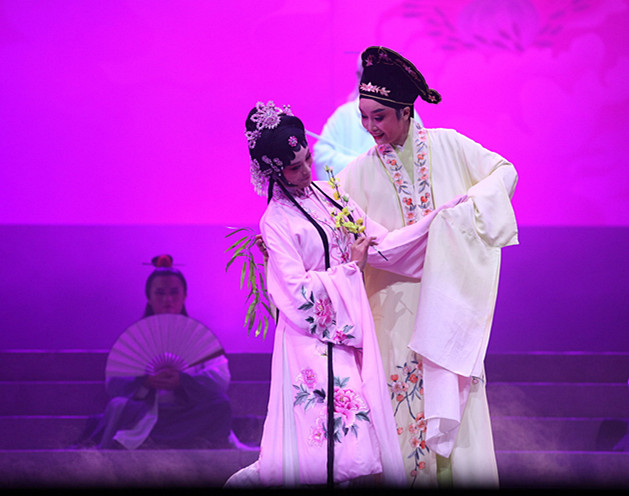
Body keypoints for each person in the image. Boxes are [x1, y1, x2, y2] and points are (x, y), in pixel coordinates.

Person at [225, 102, 466, 488]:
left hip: (347, 332)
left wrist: (437, 223)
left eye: (307, 159)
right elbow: (297, 295)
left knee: (356, 445)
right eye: (294, 168)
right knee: (325, 449)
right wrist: (350, 270)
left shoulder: (330, 196)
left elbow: (381, 243)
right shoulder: (276, 221)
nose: (307, 171)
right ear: (273, 172)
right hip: (308, 342)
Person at [337, 46, 519, 488]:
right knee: (401, 417)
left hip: (449, 305)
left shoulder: (449, 145)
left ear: (406, 111)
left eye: (380, 117)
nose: (370, 128)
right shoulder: (354, 174)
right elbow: (335, 227)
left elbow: (504, 172)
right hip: (392, 315)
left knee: (457, 415)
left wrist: (459, 217)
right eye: (364, 117)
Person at [75, 255, 234, 449]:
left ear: (184, 296)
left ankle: (156, 440)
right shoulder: (136, 338)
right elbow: (114, 383)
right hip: (145, 411)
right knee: (119, 406)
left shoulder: (199, 338)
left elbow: (220, 377)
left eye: (174, 292)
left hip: (187, 410)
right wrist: (146, 382)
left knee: (220, 405)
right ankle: (178, 440)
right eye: (160, 293)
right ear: (149, 298)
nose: (168, 300)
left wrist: (183, 381)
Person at [312, 54, 422, 179]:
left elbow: (418, 154)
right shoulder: (343, 115)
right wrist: (364, 166)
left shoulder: (404, 113)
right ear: (359, 76)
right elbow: (322, 156)